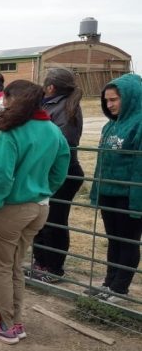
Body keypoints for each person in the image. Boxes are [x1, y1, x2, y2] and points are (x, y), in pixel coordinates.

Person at [0, 80, 69, 344]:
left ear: (10, 100)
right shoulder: (53, 130)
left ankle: (5, 323)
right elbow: (61, 168)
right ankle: (15, 320)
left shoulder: (10, 133)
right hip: (39, 207)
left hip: (9, 208)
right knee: (15, 265)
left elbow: (0, 176)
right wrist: (43, 190)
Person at [88, 73, 142, 302]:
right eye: (106, 101)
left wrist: (136, 200)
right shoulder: (110, 126)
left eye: (114, 100)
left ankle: (120, 288)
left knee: (128, 241)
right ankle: (108, 282)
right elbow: (101, 163)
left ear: (130, 98)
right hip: (109, 193)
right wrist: (96, 192)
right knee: (113, 240)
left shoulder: (139, 124)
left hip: (129, 196)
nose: (109, 105)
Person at [30, 68, 85, 283]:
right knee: (42, 219)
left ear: (51, 87)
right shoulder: (51, 104)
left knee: (55, 220)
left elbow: (64, 142)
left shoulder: (65, 108)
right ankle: (41, 263)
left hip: (62, 171)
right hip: (46, 170)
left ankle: (54, 268)